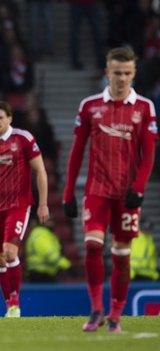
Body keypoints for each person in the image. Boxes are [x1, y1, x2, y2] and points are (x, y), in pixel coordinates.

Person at [62, 47, 158, 332]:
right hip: (97, 190)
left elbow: (149, 154)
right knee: (92, 246)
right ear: (107, 72)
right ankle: (96, 310)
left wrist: (139, 188)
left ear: (134, 73)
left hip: (127, 194)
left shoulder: (145, 107)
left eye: (127, 73)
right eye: (116, 73)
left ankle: (115, 315)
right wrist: (68, 192)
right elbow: (77, 151)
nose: (121, 79)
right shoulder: (90, 106)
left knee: (121, 254)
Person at [0, 101, 49, 318]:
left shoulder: (23, 139)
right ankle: (9, 305)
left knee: (10, 250)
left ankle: (15, 300)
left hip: (18, 205)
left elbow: (40, 171)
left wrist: (43, 203)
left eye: (0, 117)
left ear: (9, 118)